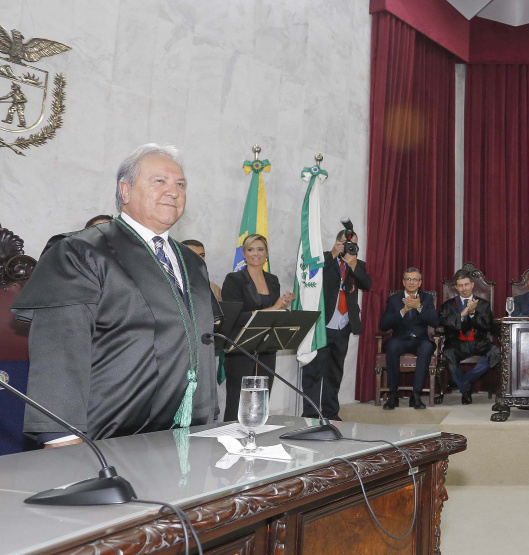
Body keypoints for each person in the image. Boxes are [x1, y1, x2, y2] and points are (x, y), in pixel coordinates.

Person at [11, 143, 219, 446]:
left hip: (187, 437)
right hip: (107, 440)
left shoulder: (192, 263)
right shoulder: (79, 252)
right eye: (160, 181)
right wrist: (62, 440)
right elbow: (60, 353)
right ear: (125, 190)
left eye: (180, 184)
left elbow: (198, 345)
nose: (173, 192)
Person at [220, 234, 295, 421]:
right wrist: (274, 307)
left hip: (267, 346)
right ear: (244, 254)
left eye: (260, 249)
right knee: (238, 400)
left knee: (262, 398)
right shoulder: (234, 279)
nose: (256, 254)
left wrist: (282, 305)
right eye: (251, 249)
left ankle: (258, 433)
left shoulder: (273, 280)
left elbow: (273, 314)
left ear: (267, 253)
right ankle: (232, 434)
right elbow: (236, 317)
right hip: (240, 347)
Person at [300, 229, 372, 421]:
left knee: (335, 372)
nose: (350, 247)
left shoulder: (358, 264)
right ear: (337, 242)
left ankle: (331, 413)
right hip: (322, 325)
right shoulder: (324, 258)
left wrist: (353, 264)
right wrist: (333, 253)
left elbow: (367, 284)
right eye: (346, 243)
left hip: (343, 325)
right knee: (314, 371)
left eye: (354, 244)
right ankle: (310, 414)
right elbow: (310, 272)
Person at [379, 267, 439, 410]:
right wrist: (402, 311)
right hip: (400, 339)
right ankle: (393, 395)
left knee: (426, 347)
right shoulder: (394, 300)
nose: (411, 282)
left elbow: (435, 322)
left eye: (415, 279)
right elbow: (383, 325)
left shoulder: (427, 298)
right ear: (403, 282)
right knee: (392, 346)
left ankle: (416, 395)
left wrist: (419, 307)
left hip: (420, 340)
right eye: (408, 279)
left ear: (420, 282)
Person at [439, 270, 501, 405]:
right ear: (456, 287)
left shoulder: (483, 304)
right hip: (456, 342)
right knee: (447, 354)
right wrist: (463, 314)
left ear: (472, 285)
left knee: (496, 353)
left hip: (479, 341)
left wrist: (473, 314)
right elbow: (445, 324)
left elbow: (487, 326)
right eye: (460, 285)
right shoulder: (448, 305)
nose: (464, 288)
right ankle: (465, 389)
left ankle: (462, 381)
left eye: (466, 285)